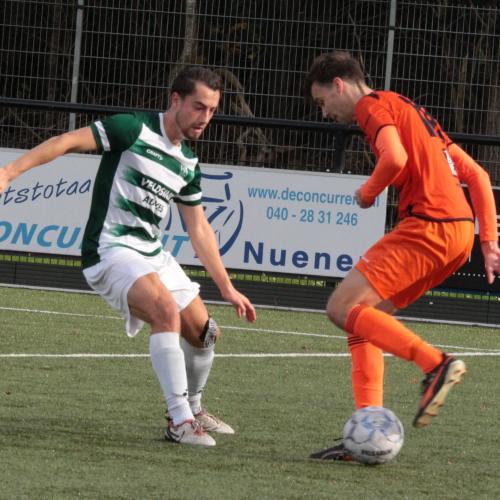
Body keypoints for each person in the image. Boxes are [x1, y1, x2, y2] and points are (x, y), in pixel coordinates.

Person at [0, 66, 256, 447]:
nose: (205, 117)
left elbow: (200, 229)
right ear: (175, 100)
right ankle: (180, 421)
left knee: (206, 333)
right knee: (165, 310)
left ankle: (194, 406)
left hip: (152, 253)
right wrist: (8, 172)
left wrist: (228, 287)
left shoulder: (187, 163)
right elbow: (66, 141)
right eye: (198, 106)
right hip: (110, 249)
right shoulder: (132, 129)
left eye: (212, 110)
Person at [303, 51, 500, 460]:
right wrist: (488, 242)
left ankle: (435, 363)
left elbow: (395, 158)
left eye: (322, 102)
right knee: (364, 320)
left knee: (340, 308)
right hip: (458, 236)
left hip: (428, 225)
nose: (325, 113)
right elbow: (477, 175)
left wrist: (367, 192)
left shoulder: (372, 105)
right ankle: (366, 429)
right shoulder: (412, 111)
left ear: (339, 84)